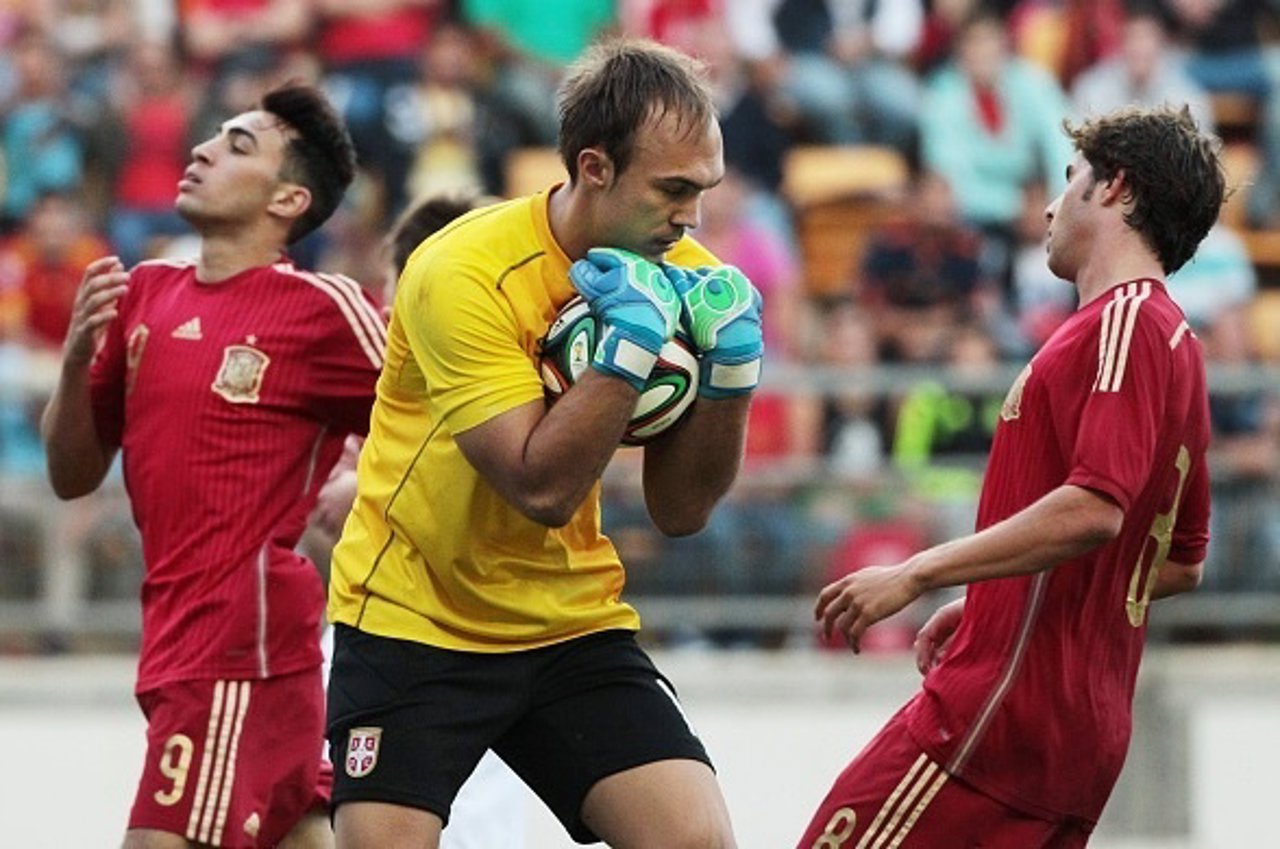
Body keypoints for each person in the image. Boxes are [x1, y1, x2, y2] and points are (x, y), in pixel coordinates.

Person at [325, 37, 762, 849]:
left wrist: (731, 376)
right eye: (672, 190)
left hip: (566, 618)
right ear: (593, 167)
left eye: (704, 190)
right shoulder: (461, 271)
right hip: (414, 617)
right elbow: (539, 486)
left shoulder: (685, 270)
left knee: (696, 841)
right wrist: (626, 353)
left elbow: (680, 509)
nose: (692, 218)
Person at [797, 103, 1223, 848]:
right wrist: (1003, 591)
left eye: (1070, 179)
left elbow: (1096, 509)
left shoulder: (1120, 324)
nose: (1054, 205)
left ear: (1116, 188)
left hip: (997, 714)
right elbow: (1179, 561)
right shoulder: (1179, 345)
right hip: (1082, 742)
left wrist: (919, 572)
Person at [40, 83, 383, 848]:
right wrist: (72, 362)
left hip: (237, 648)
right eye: (213, 136)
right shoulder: (144, 294)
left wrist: (364, 475)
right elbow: (72, 473)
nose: (201, 149)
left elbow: (438, 412)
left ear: (290, 198)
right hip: (176, 637)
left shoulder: (323, 308)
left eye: (238, 146)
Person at [310, 190, 529, 849]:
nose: (385, 307)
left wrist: (366, 492)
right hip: (365, 628)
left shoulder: (498, 379)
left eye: (392, 285)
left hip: (468, 636)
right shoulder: (365, 383)